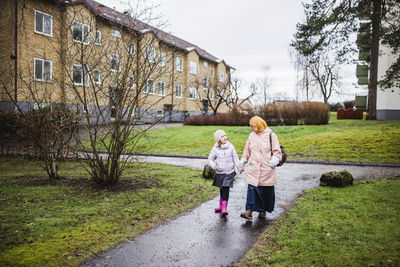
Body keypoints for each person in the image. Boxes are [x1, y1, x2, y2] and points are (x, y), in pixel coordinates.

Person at [239, 116, 282, 220]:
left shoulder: (271, 135)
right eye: (250, 126)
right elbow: (246, 151)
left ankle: (263, 211)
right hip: (253, 168)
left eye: (253, 126)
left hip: (266, 169)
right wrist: (242, 164)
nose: (251, 128)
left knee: (265, 191)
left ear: (259, 125)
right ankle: (248, 211)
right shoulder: (251, 136)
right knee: (252, 190)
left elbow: (277, 152)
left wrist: (272, 163)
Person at [208, 130, 243, 216]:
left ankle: (224, 208)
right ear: (218, 140)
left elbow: (235, 158)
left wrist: (238, 167)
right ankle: (220, 206)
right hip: (220, 173)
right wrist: (215, 167)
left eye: (225, 135)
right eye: (222, 136)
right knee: (221, 189)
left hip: (229, 172)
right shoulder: (215, 149)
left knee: (225, 188)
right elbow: (210, 159)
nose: (225, 137)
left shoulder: (231, 147)